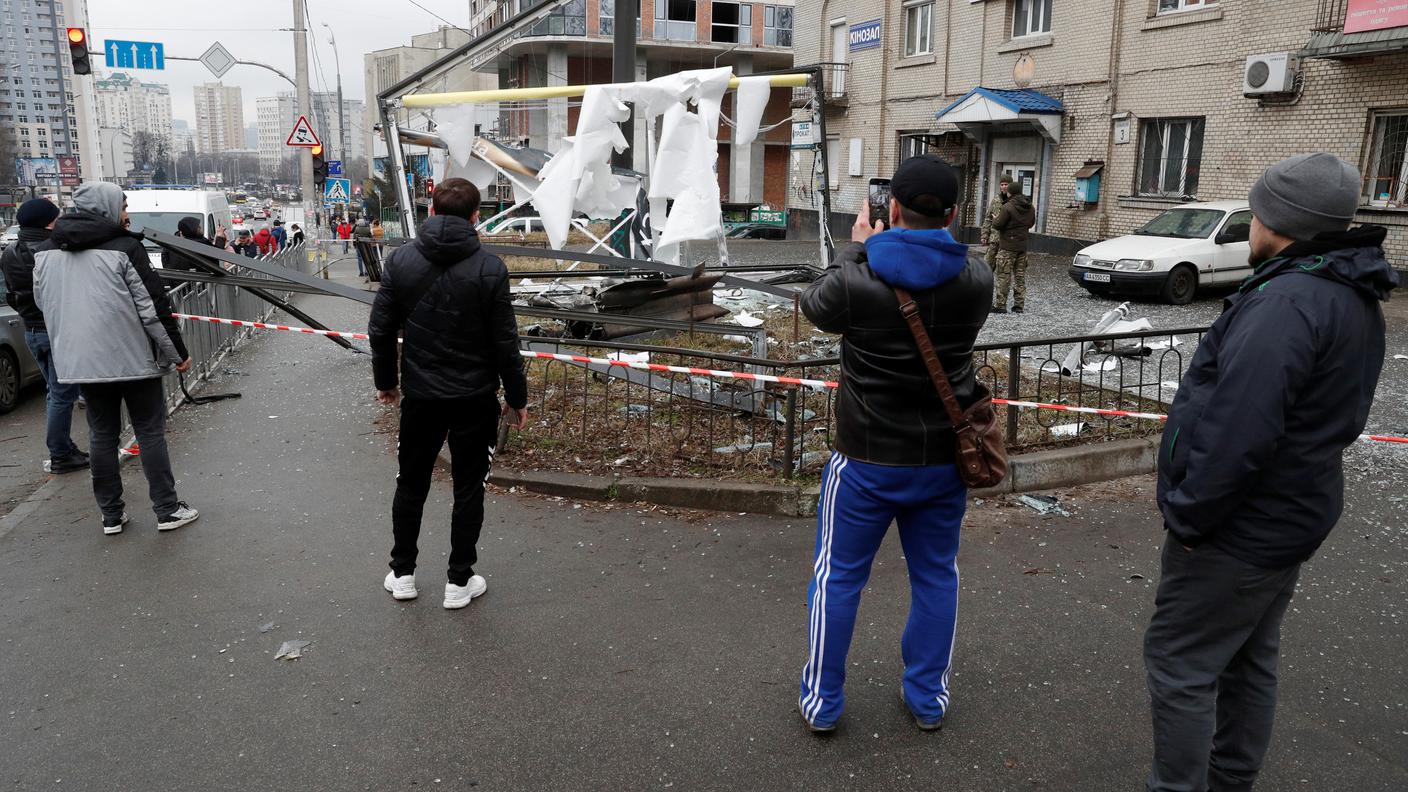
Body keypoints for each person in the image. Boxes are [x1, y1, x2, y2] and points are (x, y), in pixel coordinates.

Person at [1144, 153, 1398, 792]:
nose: (1251, 221)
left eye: (1256, 210)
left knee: (1181, 664)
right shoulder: (1345, 291)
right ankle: (1230, 779)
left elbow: (1240, 431)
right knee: (1249, 657)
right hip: (1289, 516)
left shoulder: (1287, 301)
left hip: (1239, 528)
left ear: (1279, 221)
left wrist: (1191, 515)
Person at [796, 156, 992, 732]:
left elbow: (814, 306)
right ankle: (927, 698)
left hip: (865, 460)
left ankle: (823, 703)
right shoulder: (977, 280)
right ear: (954, 214)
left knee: (838, 578)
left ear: (892, 209)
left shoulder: (857, 278)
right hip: (942, 463)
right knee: (937, 576)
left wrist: (855, 248)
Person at [368, 177, 529, 610]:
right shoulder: (490, 268)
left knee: (411, 483)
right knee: (468, 488)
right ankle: (459, 580)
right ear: (477, 217)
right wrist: (517, 398)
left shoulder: (400, 261)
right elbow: (504, 342)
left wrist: (387, 382)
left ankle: (403, 574)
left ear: (432, 211)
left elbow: (380, 329)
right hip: (475, 399)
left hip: (421, 398)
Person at [32, 182, 200, 535]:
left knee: (101, 436)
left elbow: (44, 304)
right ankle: (167, 510)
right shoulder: (125, 248)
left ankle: (111, 516)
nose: (127, 214)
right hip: (132, 359)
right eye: (123, 206)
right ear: (107, 208)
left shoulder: (46, 251)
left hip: (84, 364)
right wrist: (178, 354)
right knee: (150, 432)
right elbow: (153, 308)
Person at [0, 198, 88, 475]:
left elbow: (13, 295)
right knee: (62, 395)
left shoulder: (10, 253)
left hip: (32, 329)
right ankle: (60, 453)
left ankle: (64, 447)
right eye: (58, 216)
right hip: (55, 330)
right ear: (49, 222)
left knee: (55, 391)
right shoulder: (52, 251)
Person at [990, 178, 1035, 314]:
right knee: (1020, 277)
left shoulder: (1007, 207)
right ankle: (1018, 305)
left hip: (1007, 248)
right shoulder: (1030, 207)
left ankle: (1000, 305)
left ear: (1011, 193)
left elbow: (997, 225)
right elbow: (1031, 224)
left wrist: (995, 218)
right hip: (1022, 247)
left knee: (1004, 276)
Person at [980, 172, 1012, 271]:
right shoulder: (996, 200)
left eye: (1006, 184)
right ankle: (985, 284)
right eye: (1002, 185)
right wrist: (985, 234)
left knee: (1003, 269)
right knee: (987, 264)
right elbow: (988, 218)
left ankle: (1000, 286)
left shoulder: (1014, 200)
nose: (1004, 187)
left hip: (1007, 241)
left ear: (1010, 185)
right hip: (994, 239)